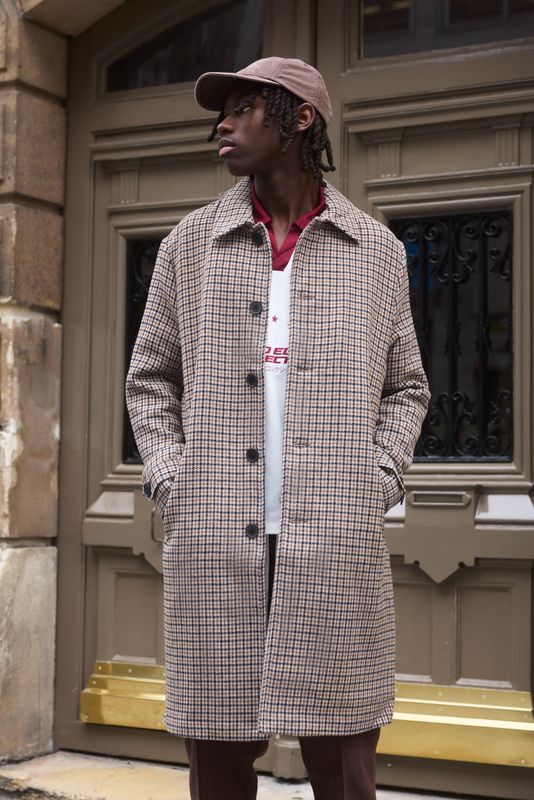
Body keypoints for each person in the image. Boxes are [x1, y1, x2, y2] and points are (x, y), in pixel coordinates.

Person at [126, 57, 430, 800]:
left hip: (333, 540)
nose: (222, 125)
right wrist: (173, 479)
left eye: (242, 108)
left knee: (345, 761)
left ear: (299, 118)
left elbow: (408, 388)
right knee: (217, 764)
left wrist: (375, 480)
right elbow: (150, 380)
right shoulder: (190, 245)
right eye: (220, 112)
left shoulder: (376, 253)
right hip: (215, 538)